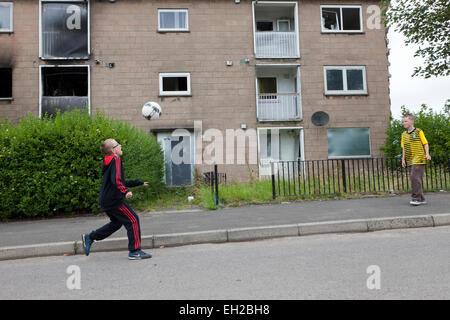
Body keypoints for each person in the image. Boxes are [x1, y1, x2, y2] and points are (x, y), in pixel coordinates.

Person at [82, 138, 152, 260]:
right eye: (118, 144)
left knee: (116, 223)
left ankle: (90, 237)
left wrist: (138, 183)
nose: (121, 146)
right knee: (133, 219)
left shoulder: (109, 161)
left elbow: (119, 180)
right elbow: (117, 180)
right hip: (114, 200)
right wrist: (126, 191)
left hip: (106, 199)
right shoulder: (116, 159)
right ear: (114, 150)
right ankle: (135, 251)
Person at [401, 114, 431, 206]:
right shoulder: (403, 134)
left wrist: (427, 154)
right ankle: (421, 199)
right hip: (410, 160)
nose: (404, 123)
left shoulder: (418, 131)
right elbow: (404, 148)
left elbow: (425, 144)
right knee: (416, 179)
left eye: (405, 121)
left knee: (415, 178)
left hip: (419, 158)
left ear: (412, 121)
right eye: (403, 121)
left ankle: (416, 198)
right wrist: (403, 159)